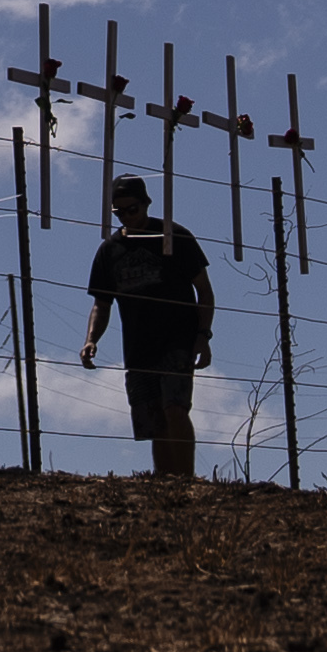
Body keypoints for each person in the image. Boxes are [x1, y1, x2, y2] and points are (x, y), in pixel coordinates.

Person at [79, 171, 213, 479]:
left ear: (146, 204)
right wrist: (91, 339)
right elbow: (102, 302)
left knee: (175, 408)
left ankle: (186, 480)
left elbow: (204, 290)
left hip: (177, 340)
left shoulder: (175, 236)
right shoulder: (109, 251)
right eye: (119, 212)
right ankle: (168, 485)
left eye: (132, 210)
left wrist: (202, 336)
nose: (127, 217)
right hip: (139, 349)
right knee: (154, 419)